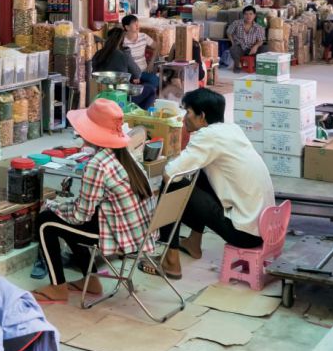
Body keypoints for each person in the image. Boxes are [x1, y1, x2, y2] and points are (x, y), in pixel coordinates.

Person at [30, 99, 154, 302]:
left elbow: (80, 216)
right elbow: (85, 210)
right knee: (64, 218)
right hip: (139, 232)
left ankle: (58, 287)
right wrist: (61, 209)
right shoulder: (127, 156)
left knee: (46, 221)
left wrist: (52, 206)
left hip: (120, 237)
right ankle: (91, 280)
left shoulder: (98, 164)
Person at [155, 88, 275, 280]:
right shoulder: (232, 130)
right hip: (264, 227)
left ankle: (171, 260)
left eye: (188, 112)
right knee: (199, 174)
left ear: (202, 116)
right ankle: (193, 243)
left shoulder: (207, 136)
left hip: (245, 234)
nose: (185, 118)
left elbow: (170, 173)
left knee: (172, 184)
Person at [91, 27, 157, 110]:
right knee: (151, 89)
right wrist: (127, 52)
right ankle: (135, 114)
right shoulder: (123, 54)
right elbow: (137, 74)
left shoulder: (98, 54)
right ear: (122, 41)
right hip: (121, 96)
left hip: (100, 93)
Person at [226, 5, 266, 71]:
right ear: (243, 15)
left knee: (265, 48)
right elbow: (229, 32)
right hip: (240, 48)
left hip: (252, 48)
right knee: (233, 49)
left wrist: (255, 46)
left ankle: (256, 65)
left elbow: (260, 40)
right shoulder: (236, 23)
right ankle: (237, 65)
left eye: (251, 14)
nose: (248, 16)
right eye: (246, 14)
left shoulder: (258, 27)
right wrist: (233, 43)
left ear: (254, 15)